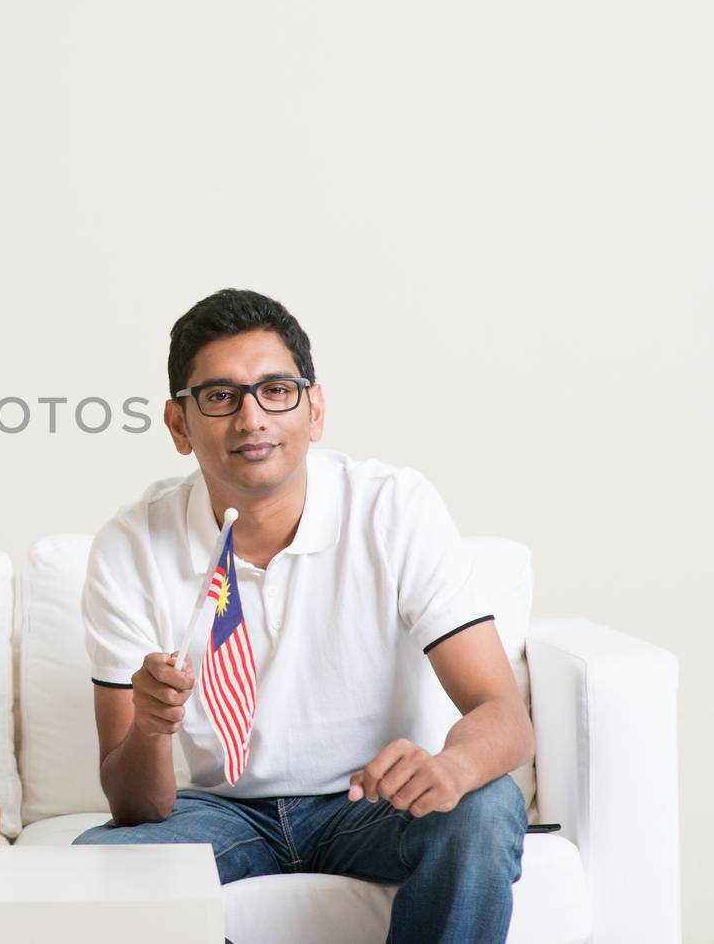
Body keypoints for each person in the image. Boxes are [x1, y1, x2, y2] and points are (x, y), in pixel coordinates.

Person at [74, 288, 532, 944]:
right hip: (224, 816)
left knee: (487, 804)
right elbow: (135, 806)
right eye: (220, 396)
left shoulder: (392, 507)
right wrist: (149, 728)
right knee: (99, 865)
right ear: (180, 426)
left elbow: (504, 716)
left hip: (374, 805)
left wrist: (451, 768)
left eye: (277, 390)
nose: (251, 418)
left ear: (314, 410)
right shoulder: (130, 545)